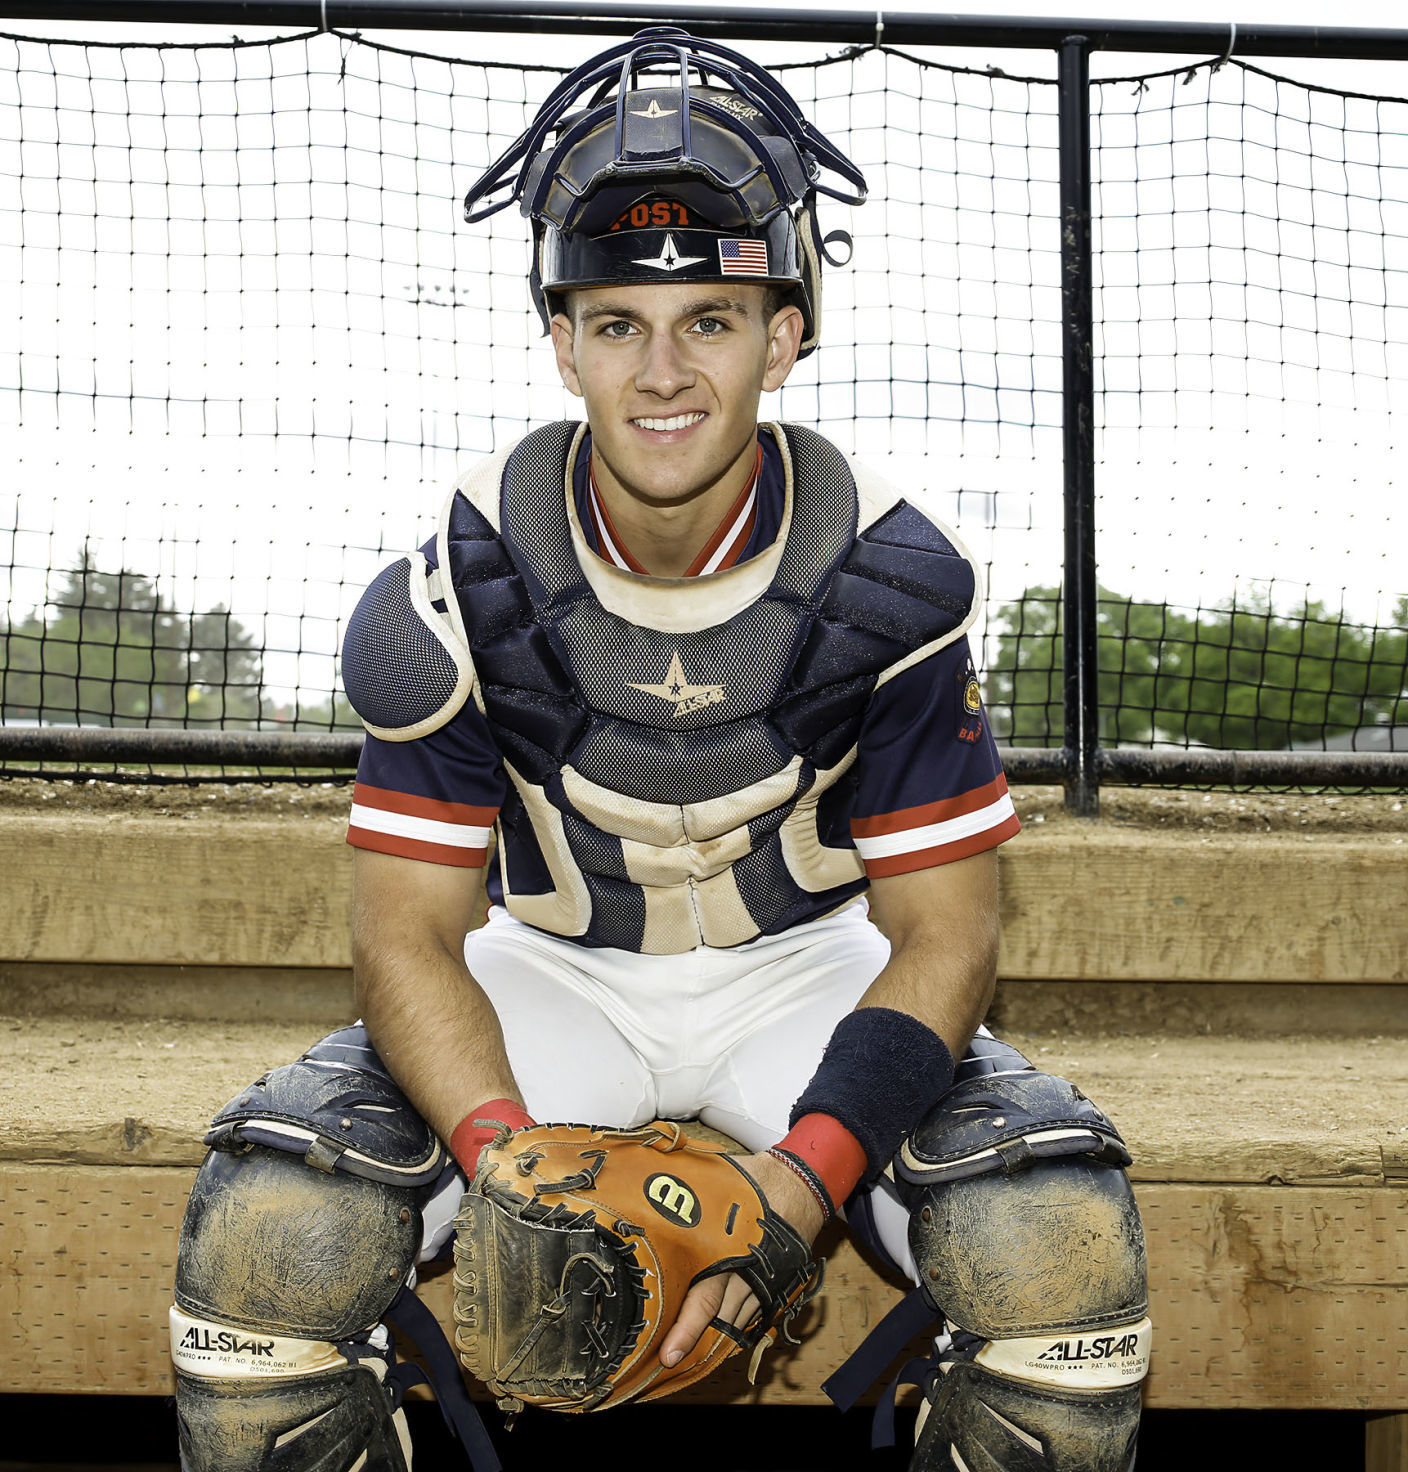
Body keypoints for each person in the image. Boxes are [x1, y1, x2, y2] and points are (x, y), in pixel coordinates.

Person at [169, 28, 1150, 1472]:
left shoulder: (891, 577)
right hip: (554, 967)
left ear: (788, 329)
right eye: (618, 321)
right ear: (560, 337)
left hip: (808, 974)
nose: (664, 368)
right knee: (271, 1249)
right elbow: (408, 942)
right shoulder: (457, 585)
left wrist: (796, 1193)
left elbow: (944, 939)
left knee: (1051, 1254)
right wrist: (507, 1161)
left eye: (712, 316)